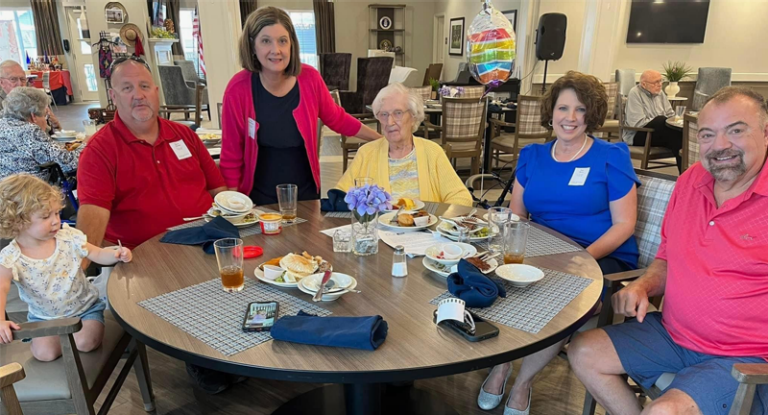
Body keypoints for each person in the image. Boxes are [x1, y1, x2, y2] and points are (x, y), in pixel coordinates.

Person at [569, 87, 768, 415]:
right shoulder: (691, 182)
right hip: (673, 334)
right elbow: (666, 257)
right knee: (583, 351)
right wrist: (642, 285)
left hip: (744, 358)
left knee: (664, 411)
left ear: (764, 132)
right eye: (707, 134)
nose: (720, 146)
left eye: (735, 130)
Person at [477, 71, 640, 415]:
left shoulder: (611, 156)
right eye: (563, 108)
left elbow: (624, 225)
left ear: (591, 115)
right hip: (543, 245)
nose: (570, 118)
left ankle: (523, 383)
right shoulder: (533, 155)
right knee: (496, 276)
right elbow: (517, 216)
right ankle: (502, 364)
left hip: (600, 254)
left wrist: (582, 258)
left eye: (580, 110)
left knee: (560, 296)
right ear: (550, 112)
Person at [75, 57, 235, 394]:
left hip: (204, 236)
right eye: (127, 88)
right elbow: (90, 227)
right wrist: (76, 273)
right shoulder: (100, 152)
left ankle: (237, 345)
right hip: (146, 255)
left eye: (144, 86)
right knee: (192, 288)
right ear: (113, 97)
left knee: (243, 270)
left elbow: (219, 190)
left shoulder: (184, 136)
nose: (138, 95)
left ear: (157, 92)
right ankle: (205, 357)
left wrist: (237, 222)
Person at [220, 6, 381, 206]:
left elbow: (338, 118)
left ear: (292, 45)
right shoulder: (237, 89)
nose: (275, 50)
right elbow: (231, 157)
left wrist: (382, 139)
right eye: (265, 41)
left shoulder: (310, 79)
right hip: (257, 200)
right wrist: (232, 208)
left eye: (282, 41)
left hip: (306, 194)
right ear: (252, 45)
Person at [0, 175, 132, 361]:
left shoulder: (68, 237)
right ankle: (49, 340)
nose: (56, 221)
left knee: (86, 343)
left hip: (84, 309)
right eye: (46, 216)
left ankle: (73, 336)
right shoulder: (11, 256)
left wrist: (117, 254)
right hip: (44, 318)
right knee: (45, 354)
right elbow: (1, 288)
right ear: (17, 221)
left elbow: (97, 253)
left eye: (56, 213)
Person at [335, 83, 472, 206]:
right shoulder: (366, 153)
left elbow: (461, 197)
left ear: (413, 116)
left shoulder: (433, 152)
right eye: (384, 115)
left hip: (425, 231)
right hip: (379, 232)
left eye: (398, 113)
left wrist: (437, 221)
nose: (390, 122)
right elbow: (340, 196)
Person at [0, 87, 85, 180]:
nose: (46, 120)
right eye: (45, 115)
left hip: (6, 188)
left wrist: (73, 144)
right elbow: (68, 163)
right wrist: (82, 143)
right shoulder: (29, 131)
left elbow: (54, 153)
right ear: (33, 116)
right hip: (33, 189)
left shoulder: (3, 124)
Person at [623, 69, 681, 171]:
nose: (659, 85)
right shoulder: (635, 93)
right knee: (661, 120)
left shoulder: (660, 93)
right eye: (656, 82)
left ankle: (685, 174)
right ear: (644, 84)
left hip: (659, 133)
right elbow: (637, 123)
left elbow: (670, 114)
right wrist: (659, 121)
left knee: (680, 137)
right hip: (640, 134)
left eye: (661, 81)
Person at [0, 60, 61, 131]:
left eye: (22, 79)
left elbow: (50, 131)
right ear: (1, 82)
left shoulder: (30, 97)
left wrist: (55, 125)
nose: (20, 84)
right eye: (13, 79)